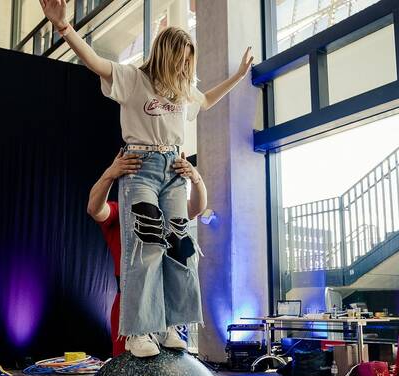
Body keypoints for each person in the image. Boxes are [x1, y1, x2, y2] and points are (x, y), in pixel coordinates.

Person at [41, 0, 249, 357]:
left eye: (189, 61)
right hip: (141, 168)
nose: (184, 66)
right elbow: (96, 62)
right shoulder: (133, 79)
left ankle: (170, 326)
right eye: (181, 59)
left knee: (181, 249)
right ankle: (139, 331)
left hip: (174, 170)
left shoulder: (182, 91)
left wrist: (238, 78)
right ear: (166, 54)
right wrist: (64, 27)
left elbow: (206, 101)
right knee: (146, 245)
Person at [87, 149, 208, 358]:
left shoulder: (166, 216)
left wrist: (195, 178)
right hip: (133, 299)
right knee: (128, 368)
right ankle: (138, 335)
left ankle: (167, 331)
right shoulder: (124, 213)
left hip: (167, 302)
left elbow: (195, 208)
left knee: (171, 365)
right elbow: (94, 209)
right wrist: (109, 175)